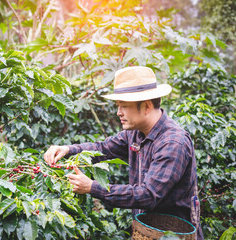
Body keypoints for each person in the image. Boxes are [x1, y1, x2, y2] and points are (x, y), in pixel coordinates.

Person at [44, 66, 204, 239]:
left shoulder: (173, 143)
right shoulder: (136, 132)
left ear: (146, 106)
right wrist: (67, 150)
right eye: (118, 106)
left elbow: (148, 195)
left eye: (124, 106)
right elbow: (104, 148)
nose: (118, 112)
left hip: (173, 234)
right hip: (145, 229)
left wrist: (93, 187)